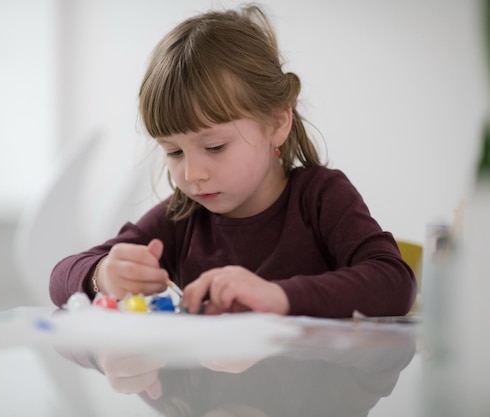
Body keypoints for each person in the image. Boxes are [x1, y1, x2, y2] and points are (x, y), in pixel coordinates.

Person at [50, 3, 416, 317]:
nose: (192, 174)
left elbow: (395, 282)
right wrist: (103, 275)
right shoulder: (182, 217)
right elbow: (60, 277)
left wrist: (278, 297)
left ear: (277, 122)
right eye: (174, 152)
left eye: (215, 147)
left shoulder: (320, 198)